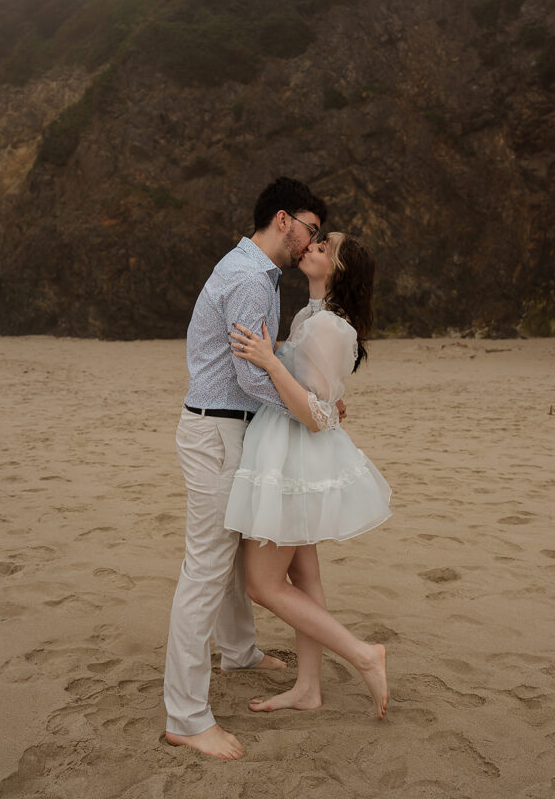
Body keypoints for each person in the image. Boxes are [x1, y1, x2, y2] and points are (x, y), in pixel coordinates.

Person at [163, 177, 327, 761]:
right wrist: (311, 408)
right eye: (309, 230)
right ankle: (185, 715)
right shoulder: (248, 279)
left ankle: (238, 652)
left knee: (231, 549)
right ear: (283, 219)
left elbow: (260, 364)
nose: (311, 243)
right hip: (218, 428)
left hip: (227, 425)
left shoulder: (251, 271)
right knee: (206, 567)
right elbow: (249, 374)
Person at [226, 232, 391, 719]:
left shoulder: (328, 328)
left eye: (324, 247)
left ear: (337, 269)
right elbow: (323, 398)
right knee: (304, 575)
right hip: (287, 448)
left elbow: (315, 415)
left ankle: (363, 653)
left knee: (263, 585)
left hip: (291, 453)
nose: (312, 247)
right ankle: (308, 688)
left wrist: (270, 361)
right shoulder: (310, 318)